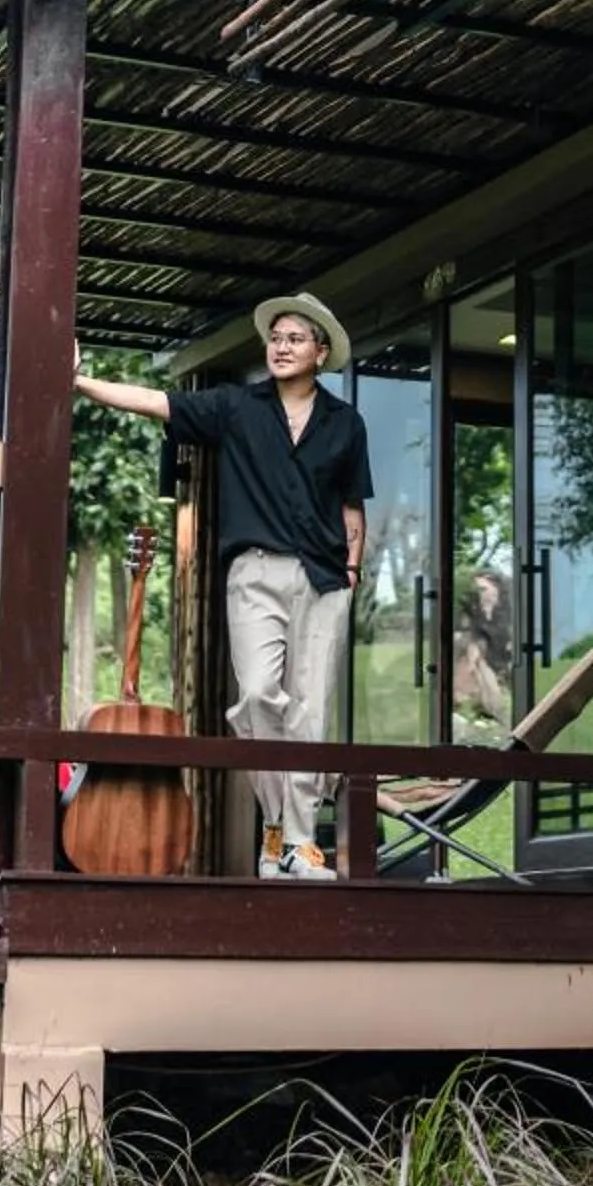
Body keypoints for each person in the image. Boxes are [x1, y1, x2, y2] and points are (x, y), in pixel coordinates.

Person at [76, 291, 371, 881]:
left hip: (324, 577)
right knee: (260, 695)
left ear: (320, 352)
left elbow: (352, 510)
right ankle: (276, 824)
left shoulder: (346, 422)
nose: (282, 346)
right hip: (254, 572)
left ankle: (299, 843)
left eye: (295, 338)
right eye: (277, 337)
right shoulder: (237, 407)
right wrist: (83, 384)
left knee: (311, 712)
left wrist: (352, 574)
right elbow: (157, 402)